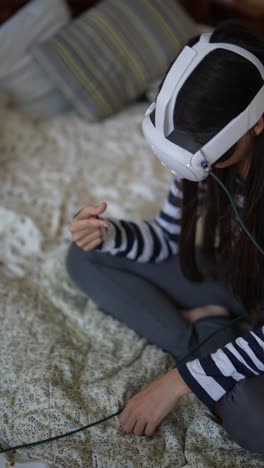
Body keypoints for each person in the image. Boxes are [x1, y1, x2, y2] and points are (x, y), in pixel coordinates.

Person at [66, 20, 264, 453]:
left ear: (256, 122)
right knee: (85, 258)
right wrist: (109, 234)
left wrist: (176, 383)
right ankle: (204, 339)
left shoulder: (207, 152)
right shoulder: (201, 159)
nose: (190, 157)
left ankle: (207, 342)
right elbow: (165, 238)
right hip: (237, 281)